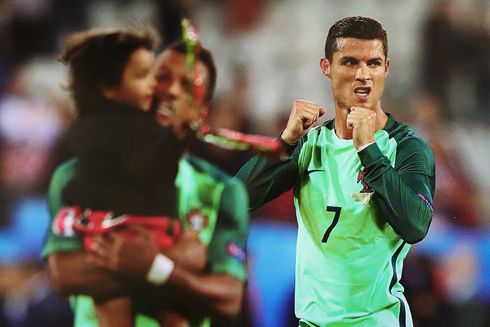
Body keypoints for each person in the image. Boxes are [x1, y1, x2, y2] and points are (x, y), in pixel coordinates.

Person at [236, 16, 435, 326]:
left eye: (373, 63)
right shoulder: (307, 143)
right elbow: (236, 199)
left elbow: (415, 226)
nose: (363, 75)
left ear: (386, 68)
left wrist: (369, 151)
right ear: (326, 66)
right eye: (350, 62)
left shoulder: (406, 147)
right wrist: (284, 142)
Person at [43, 38, 249, 327]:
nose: (171, 91)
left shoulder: (223, 192)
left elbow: (228, 299)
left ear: (202, 112)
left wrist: (156, 266)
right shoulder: (75, 176)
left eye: (187, 86)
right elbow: (65, 275)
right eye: (161, 78)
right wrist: (172, 261)